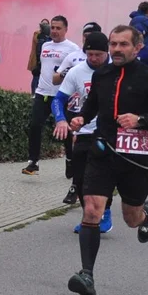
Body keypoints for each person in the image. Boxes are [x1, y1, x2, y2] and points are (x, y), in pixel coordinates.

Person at [65, 25, 148, 295]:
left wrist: (141, 121)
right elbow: (92, 105)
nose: (116, 50)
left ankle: (146, 214)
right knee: (92, 210)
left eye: (123, 45)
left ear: (137, 47)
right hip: (103, 152)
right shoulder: (102, 74)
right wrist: (81, 117)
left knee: (131, 218)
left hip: (135, 158)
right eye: (113, 44)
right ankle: (87, 275)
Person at [52, 31, 114, 235]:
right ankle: (89, 213)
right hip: (84, 130)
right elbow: (58, 99)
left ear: (107, 53)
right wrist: (61, 119)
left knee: (102, 175)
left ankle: (104, 212)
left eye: (98, 54)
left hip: (109, 132)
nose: (94, 58)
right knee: (79, 178)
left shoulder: (117, 71)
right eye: (90, 54)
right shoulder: (77, 71)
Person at [23, 16, 80, 177]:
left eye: (58, 28)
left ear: (66, 29)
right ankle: (33, 162)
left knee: (66, 132)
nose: (54, 31)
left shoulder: (72, 48)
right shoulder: (45, 45)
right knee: (34, 125)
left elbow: (77, 70)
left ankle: (70, 160)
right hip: (42, 92)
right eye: (52, 28)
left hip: (62, 96)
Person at [28, 19, 52, 94]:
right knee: (36, 76)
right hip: (36, 59)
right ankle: (33, 93)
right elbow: (37, 43)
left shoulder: (49, 36)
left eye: (46, 24)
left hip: (46, 61)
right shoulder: (37, 34)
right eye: (43, 24)